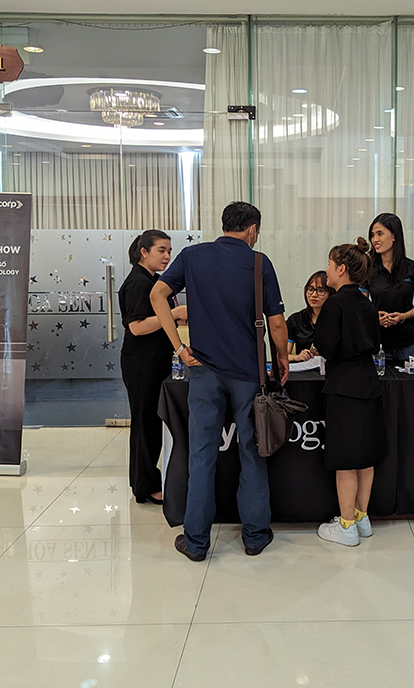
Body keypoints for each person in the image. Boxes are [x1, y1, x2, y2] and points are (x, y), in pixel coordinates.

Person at [150, 201, 289, 561]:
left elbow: (157, 294)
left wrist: (179, 347)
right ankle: (255, 536)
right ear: (252, 230)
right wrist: (282, 358)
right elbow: (276, 323)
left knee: (201, 455)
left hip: (203, 371)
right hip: (248, 374)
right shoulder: (259, 263)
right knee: (252, 452)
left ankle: (196, 542)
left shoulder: (192, 256)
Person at [314, 238, 386, 547]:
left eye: (330, 264)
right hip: (369, 382)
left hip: (344, 387)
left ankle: (345, 526)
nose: (327, 270)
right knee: (365, 456)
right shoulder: (367, 303)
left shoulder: (334, 304)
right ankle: (361, 517)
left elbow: (326, 347)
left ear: (341, 269)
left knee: (345, 458)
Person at [118, 230, 187, 506]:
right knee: (145, 424)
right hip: (141, 363)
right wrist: (173, 314)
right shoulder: (138, 283)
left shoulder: (153, 281)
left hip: (154, 360)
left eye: (169, 250)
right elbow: (137, 326)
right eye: (161, 250)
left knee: (151, 423)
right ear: (144, 252)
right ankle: (145, 486)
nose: (167, 256)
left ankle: (145, 481)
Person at [366, 213, 414, 362]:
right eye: (372, 235)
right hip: (377, 342)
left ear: (394, 236)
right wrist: (375, 317)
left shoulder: (413, 268)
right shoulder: (367, 269)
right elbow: (361, 306)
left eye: (380, 234)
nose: (375, 240)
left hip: (409, 343)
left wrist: (403, 316)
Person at [286, 270, 334, 362]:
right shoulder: (295, 320)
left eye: (320, 290)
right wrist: (297, 357)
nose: (314, 295)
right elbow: (283, 356)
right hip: (304, 368)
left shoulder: (336, 319)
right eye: (310, 289)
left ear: (330, 293)